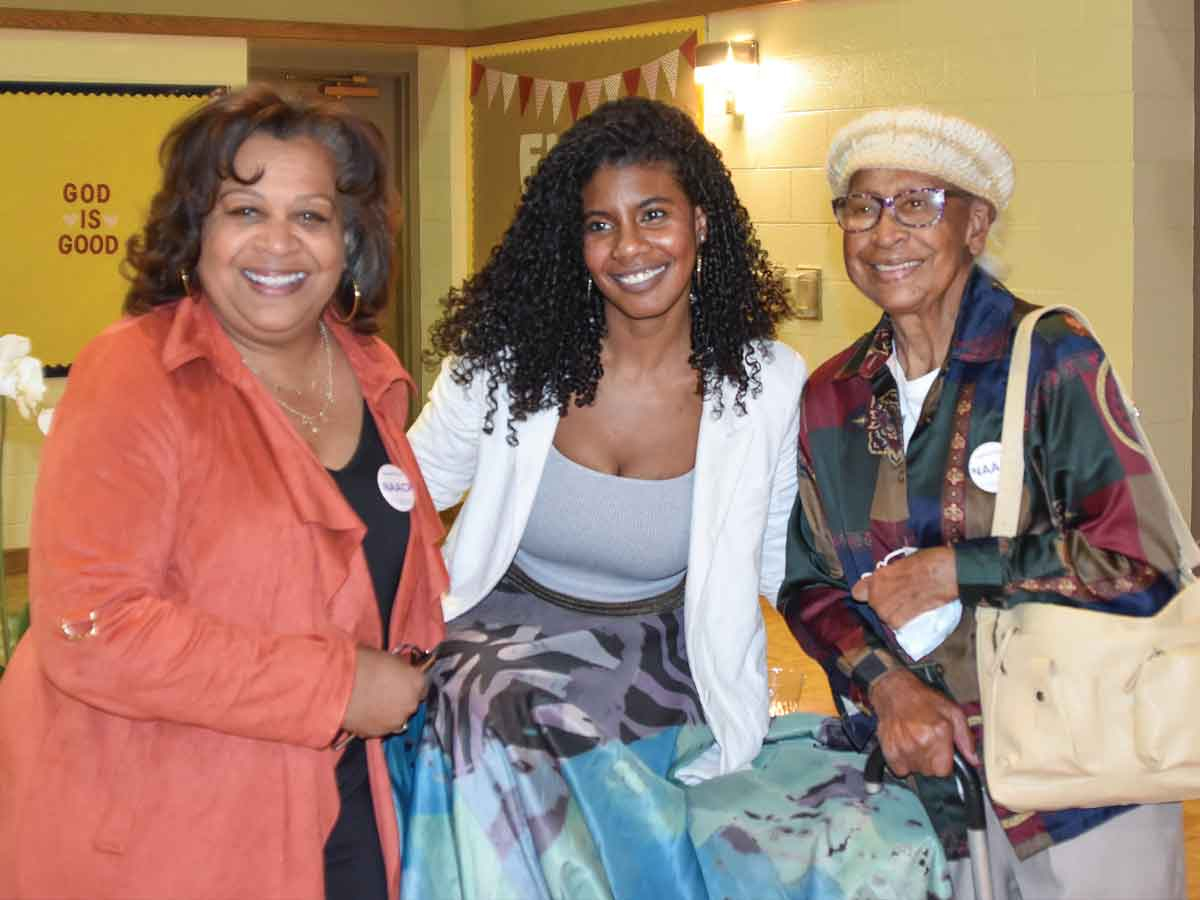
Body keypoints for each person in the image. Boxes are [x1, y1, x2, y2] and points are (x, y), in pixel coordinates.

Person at [394, 97, 954, 900]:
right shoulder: (505, 364)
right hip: (499, 634)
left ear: (701, 222)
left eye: (653, 214)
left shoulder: (765, 385)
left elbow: (779, 562)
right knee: (498, 706)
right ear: (574, 241)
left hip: (662, 655)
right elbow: (400, 496)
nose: (629, 247)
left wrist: (894, 672)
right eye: (599, 225)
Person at [0, 85, 448, 900]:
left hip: (348, 803)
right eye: (244, 211)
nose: (279, 243)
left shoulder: (375, 377)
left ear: (350, 242)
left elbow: (394, 594)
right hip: (169, 829)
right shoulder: (134, 373)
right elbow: (91, 624)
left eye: (310, 216)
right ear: (195, 232)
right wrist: (339, 685)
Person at [779, 106, 1187, 900]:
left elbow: (1144, 560)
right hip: (921, 785)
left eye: (918, 204)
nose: (883, 232)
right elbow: (809, 585)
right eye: (861, 207)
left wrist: (952, 571)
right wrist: (890, 689)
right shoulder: (831, 395)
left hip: (1083, 782)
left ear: (976, 225)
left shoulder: (1050, 355)